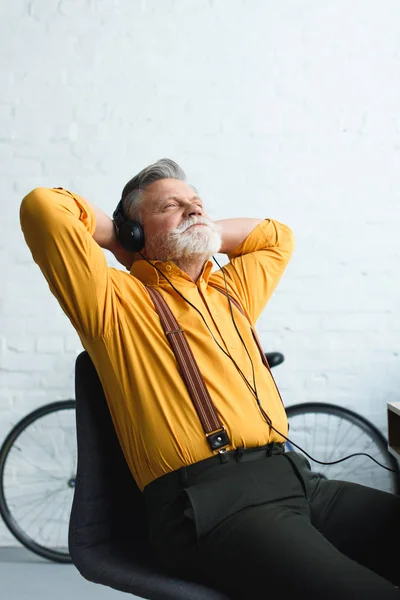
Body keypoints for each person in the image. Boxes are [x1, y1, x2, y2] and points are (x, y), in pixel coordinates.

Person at [20, 158, 400, 599]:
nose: (193, 210)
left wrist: (202, 225)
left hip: (298, 481)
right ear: (135, 229)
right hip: (212, 505)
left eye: (197, 203)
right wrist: (122, 243)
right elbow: (44, 208)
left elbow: (276, 238)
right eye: (171, 206)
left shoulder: (230, 291)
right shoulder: (113, 303)